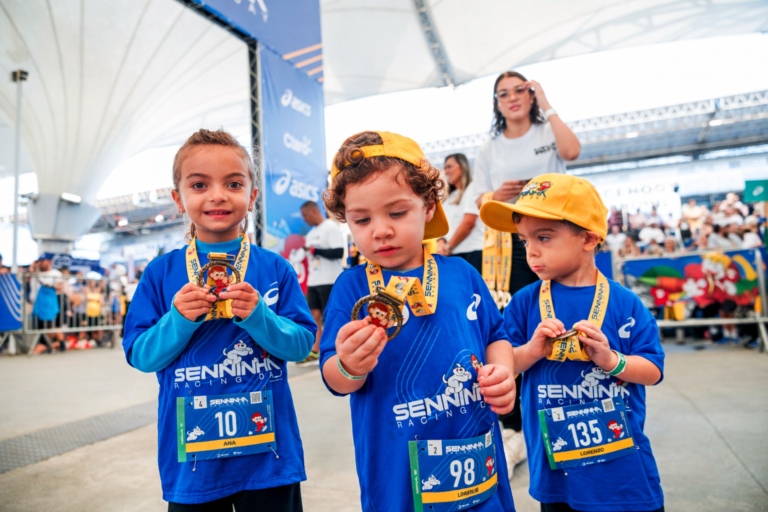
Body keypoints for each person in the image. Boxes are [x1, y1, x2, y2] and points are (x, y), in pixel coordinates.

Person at [319, 131, 517, 512]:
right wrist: (348, 364)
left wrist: (503, 372)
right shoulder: (351, 287)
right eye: (361, 220)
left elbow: (496, 334)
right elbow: (335, 378)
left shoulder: (462, 274)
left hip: (477, 459)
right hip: (397, 475)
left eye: (397, 212)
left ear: (427, 207)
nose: (381, 230)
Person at [123, 129, 316, 510]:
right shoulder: (161, 273)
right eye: (199, 184)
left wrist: (260, 317)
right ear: (178, 199)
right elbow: (141, 355)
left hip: (268, 457)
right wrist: (177, 319)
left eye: (233, 183)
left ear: (252, 197)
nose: (217, 195)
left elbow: (301, 345)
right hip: (193, 461)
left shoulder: (274, 268)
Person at [481, 173, 665, 512]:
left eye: (544, 237)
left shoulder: (625, 303)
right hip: (557, 475)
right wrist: (533, 351)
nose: (531, 251)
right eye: (524, 240)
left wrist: (613, 361)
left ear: (589, 238)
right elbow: (504, 366)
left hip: (623, 471)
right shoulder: (524, 302)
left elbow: (652, 370)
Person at [473, 70, 581, 475]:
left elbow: (572, 152)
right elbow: (479, 198)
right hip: (511, 247)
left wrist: (548, 104)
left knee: (564, 314)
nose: (513, 98)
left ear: (532, 94)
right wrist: (496, 196)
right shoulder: (490, 146)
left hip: (558, 234)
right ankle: (515, 427)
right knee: (518, 326)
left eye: (521, 90)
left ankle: (568, 399)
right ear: (496, 103)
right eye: (504, 93)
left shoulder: (546, 131)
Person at [298, 200, 345, 365]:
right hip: (314, 280)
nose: (304, 219)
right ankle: (316, 350)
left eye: (305, 215)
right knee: (313, 315)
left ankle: (338, 350)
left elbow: (339, 252)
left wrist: (314, 250)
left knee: (332, 315)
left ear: (313, 212)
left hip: (330, 279)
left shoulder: (330, 227)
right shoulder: (310, 234)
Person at [438, 153, 485, 274]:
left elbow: (468, 223)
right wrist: (441, 241)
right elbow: (443, 225)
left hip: (471, 253)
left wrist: (448, 247)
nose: (446, 171)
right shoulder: (449, 197)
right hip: (453, 254)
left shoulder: (473, 188)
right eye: (445, 167)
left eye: (449, 166)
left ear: (462, 167)